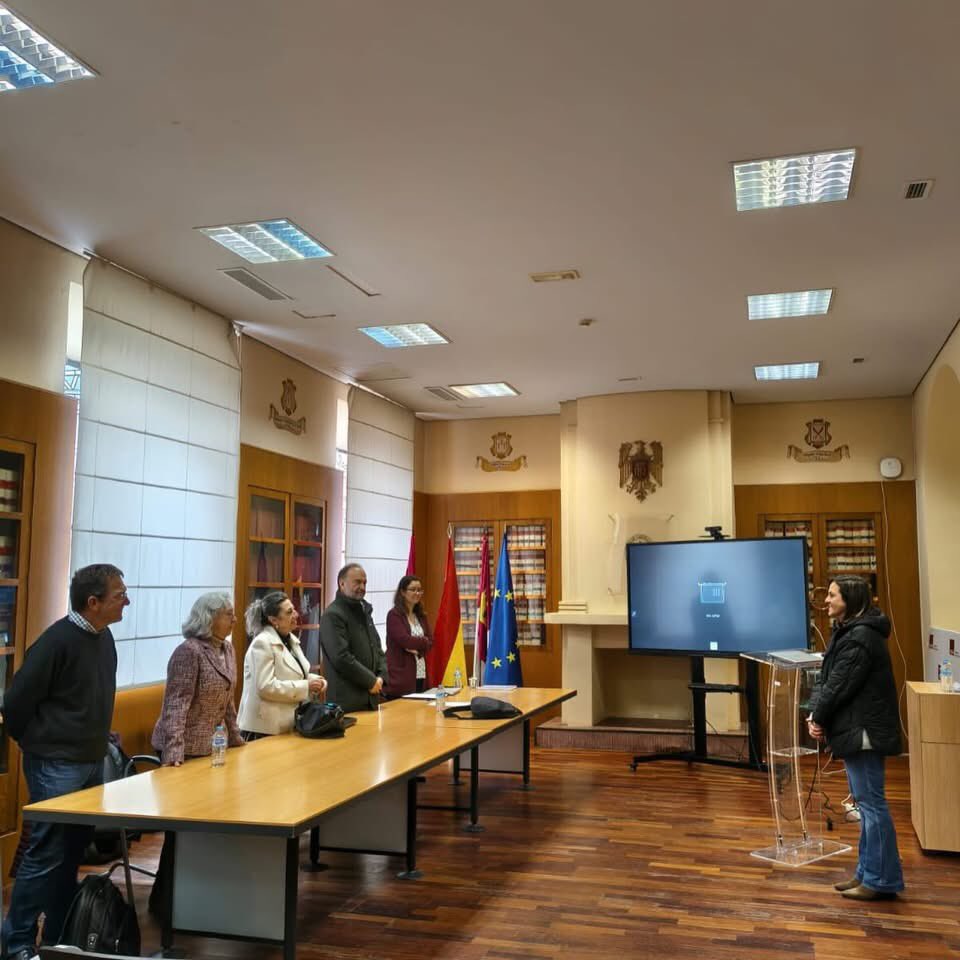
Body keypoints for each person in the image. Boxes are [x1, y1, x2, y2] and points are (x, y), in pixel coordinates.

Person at [1, 564, 128, 960]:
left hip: (89, 761)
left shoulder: (104, 638)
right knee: (45, 853)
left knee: (72, 852)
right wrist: (39, 744)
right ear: (93, 603)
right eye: (119, 594)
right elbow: (16, 703)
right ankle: (17, 943)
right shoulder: (56, 641)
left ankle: (57, 938)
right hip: (55, 763)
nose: (127, 600)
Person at [807, 575, 904, 901]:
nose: (827, 600)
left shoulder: (860, 637)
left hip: (864, 730)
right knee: (867, 804)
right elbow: (827, 677)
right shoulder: (849, 632)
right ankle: (868, 874)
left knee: (872, 806)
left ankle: (879, 881)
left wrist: (817, 716)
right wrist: (816, 714)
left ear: (849, 599)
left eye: (833, 595)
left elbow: (838, 685)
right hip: (856, 728)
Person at [151, 592, 244, 765]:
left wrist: (235, 736)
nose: (235, 619)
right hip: (186, 747)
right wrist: (174, 751)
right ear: (209, 618)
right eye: (229, 614)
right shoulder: (189, 651)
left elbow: (227, 699)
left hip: (215, 745)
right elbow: (176, 705)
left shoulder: (228, 648)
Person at [237, 591, 326, 738]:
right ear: (274, 620)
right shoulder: (262, 642)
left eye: (294, 609)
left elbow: (293, 673)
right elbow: (265, 686)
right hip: (264, 729)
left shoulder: (290, 639)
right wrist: (306, 686)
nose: (296, 615)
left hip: (288, 723)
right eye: (290, 612)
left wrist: (315, 680)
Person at [319, 564, 386, 712]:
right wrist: (370, 681)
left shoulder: (364, 612)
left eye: (364, 583)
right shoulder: (333, 615)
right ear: (342, 584)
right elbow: (341, 657)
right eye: (357, 582)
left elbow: (377, 648)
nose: (362, 587)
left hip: (371, 698)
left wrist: (381, 677)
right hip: (347, 703)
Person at [384, 574, 433, 698]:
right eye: (413, 589)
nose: (417, 593)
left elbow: (431, 641)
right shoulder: (394, 615)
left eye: (419, 590)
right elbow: (404, 640)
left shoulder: (421, 615)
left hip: (421, 671)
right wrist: (423, 642)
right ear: (403, 592)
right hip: (401, 675)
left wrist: (418, 646)